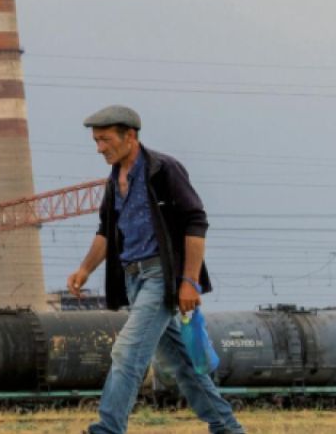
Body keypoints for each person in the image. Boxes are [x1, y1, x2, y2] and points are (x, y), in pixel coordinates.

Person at [67, 105, 244, 434]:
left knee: (126, 352)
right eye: (96, 141)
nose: (99, 148)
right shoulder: (113, 179)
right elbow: (107, 230)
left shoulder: (164, 170)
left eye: (105, 140)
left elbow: (195, 221)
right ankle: (228, 429)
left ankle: (107, 429)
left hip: (160, 278)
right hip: (133, 279)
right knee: (184, 363)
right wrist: (84, 269)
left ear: (130, 136)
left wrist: (189, 281)